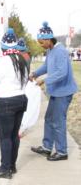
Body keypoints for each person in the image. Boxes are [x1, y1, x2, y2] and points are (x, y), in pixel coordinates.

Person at [30, 22, 78, 161]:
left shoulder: (61, 51)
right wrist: (35, 73)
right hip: (56, 92)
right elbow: (46, 66)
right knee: (49, 119)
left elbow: (61, 73)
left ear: (48, 39)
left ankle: (62, 151)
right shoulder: (50, 50)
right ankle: (47, 147)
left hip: (63, 92)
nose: (41, 45)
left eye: (41, 42)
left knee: (58, 121)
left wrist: (44, 80)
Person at [0, 28, 29, 179]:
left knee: (5, 137)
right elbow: (25, 82)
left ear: (3, 46)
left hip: (4, 102)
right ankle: (11, 165)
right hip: (20, 99)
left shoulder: (1, 62)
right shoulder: (22, 60)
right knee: (14, 136)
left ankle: (5, 169)